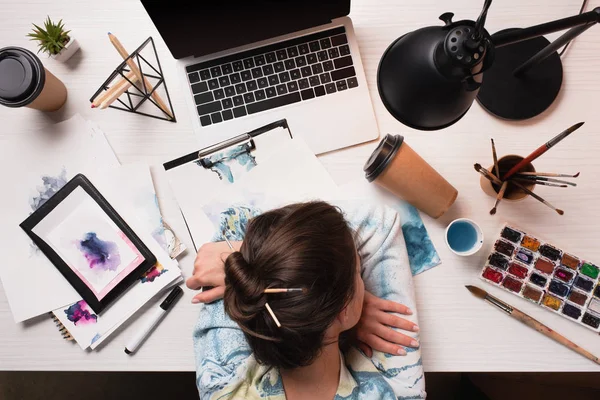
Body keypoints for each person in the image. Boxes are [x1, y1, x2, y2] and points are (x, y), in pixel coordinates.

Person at [187, 201, 426, 399]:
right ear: (343, 309)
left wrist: (260, 267)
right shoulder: (397, 391)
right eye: (358, 271)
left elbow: (235, 220)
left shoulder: (221, 381)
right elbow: (381, 221)